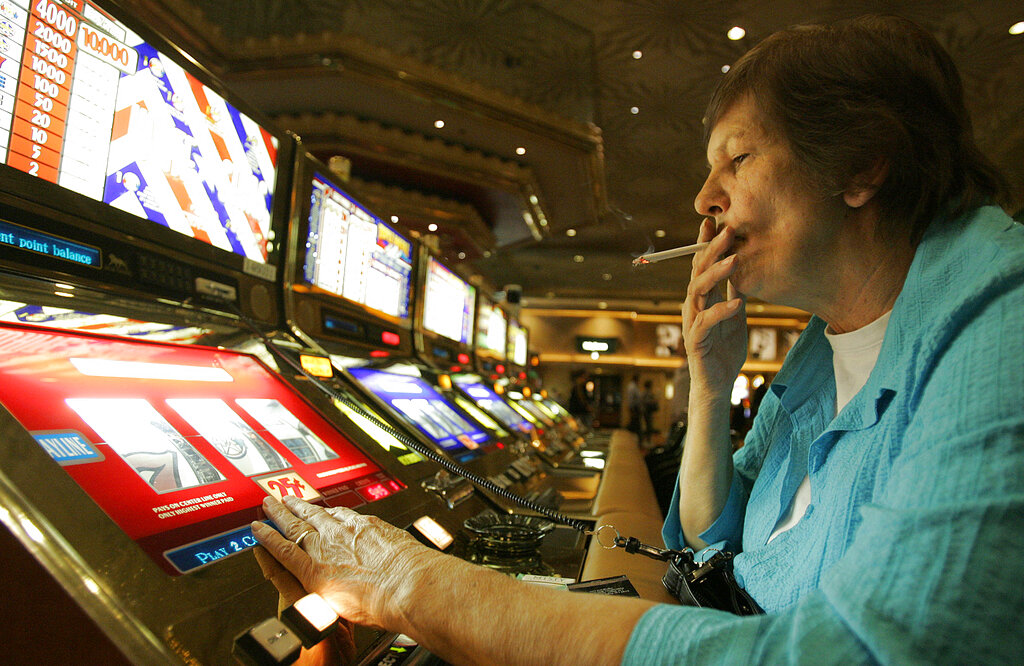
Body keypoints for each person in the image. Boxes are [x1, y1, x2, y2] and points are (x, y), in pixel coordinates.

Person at [252, 15, 1024, 664]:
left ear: (860, 167)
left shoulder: (1002, 320)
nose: (702, 198)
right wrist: (711, 380)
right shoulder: (825, 341)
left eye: (736, 159)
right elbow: (707, 538)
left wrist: (410, 584)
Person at [639, 379, 658, 447]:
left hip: (646, 411)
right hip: (647, 412)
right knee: (648, 426)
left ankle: (647, 440)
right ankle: (647, 441)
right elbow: (647, 402)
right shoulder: (647, 393)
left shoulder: (644, 393)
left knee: (648, 426)